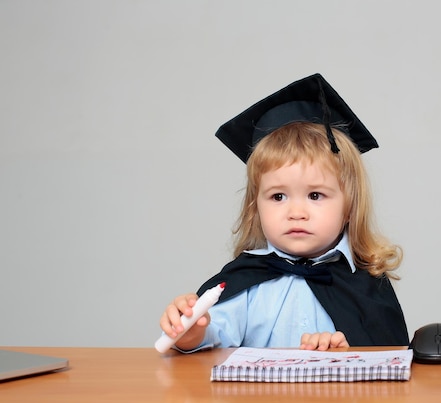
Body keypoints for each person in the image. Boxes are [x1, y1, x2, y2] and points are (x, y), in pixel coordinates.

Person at [159, 74, 409, 352]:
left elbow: (384, 356)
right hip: (260, 398)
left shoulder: (365, 287)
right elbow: (214, 334)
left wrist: (341, 352)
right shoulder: (244, 282)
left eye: (315, 195)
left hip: (337, 396)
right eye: (278, 196)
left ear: (349, 207)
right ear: (256, 207)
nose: (296, 212)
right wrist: (192, 331)